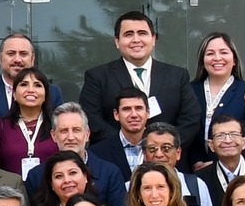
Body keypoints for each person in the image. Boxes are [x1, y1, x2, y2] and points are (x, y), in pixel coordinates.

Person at [78, 10, 200, 154]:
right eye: (128, 34)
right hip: (115, 159)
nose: (136, 40)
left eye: (142, 33)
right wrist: (128, 145)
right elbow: (92, 119)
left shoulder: (177, 76)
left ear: (153, 39)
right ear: (117, 41)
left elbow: (191, 119)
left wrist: (164, 148)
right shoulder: (97, 77)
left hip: (167, 160)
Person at [32, 101, 128, 206]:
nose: (70, 137)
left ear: (87, 134)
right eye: (64, 131)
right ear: (54, 136)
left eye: (76, 130)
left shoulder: (110, 173)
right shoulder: (37, 175)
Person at [138, 124, 217, 206]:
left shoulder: (196, 185)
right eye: (152, 149)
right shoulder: (132, 187)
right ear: (144, 154)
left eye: (166, 148)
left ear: (178, 153)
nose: (159, 154)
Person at [0, 31, 66, 116]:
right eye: (11, 53)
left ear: (32, 59)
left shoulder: (52, 92)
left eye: (23, 54)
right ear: (0, 58)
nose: (17, 59)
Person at [0, 66, 55, 177]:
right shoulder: (0, 126)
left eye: (37, 85)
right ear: (14, 94)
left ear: (46, 95)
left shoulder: (56, 126)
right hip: (9, 187)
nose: (31, 90)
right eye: (24, 84)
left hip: (48, 187)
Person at [194, 115, 245, 206]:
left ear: (244, 142)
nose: (228, 141)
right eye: (220, 136)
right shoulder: (199, 179)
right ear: (211, 145)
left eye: (234, 134)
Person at [191, 30, 245, 149]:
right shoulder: (189, 91)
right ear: (202, 60)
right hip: (193, 160)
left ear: (234, 60)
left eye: (223, 52)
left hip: (231, 158)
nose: (217, 58)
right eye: (210, 53)